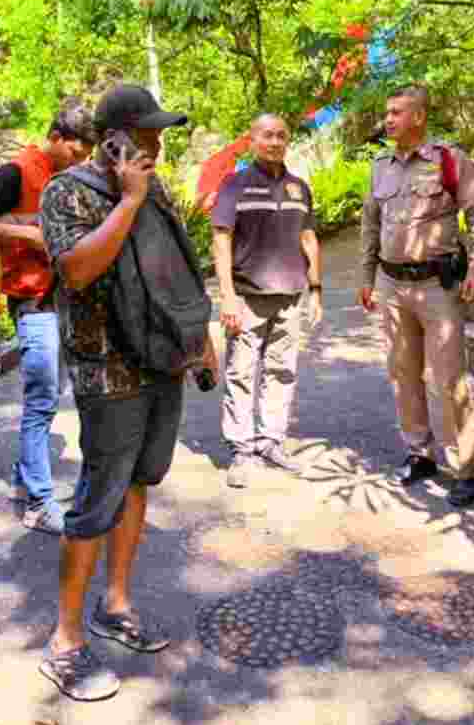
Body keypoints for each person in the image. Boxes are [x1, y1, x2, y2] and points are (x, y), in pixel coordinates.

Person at [37, 84, 219, 702]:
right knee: (97, 499)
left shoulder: (154, 187)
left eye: (160, 135)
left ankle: (115, 604)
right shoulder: (67, 192)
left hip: (160, 362)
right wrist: (130, 199)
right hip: (107, 371)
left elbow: (177, 268)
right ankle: (64, 641)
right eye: (146, 135)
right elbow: (76, 269)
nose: (157, 145)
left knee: (140, 483)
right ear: (113, 139)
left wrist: (200, 340)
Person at [0, 98, 95, 535]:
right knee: (42, 399)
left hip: (65, 300)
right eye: (75, 151)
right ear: (55, 137)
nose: (80, 161)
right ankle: (38, 502)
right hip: (33, 302)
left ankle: (24, 477)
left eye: (86, 155)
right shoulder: (14, 173)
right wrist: (25, 234)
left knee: (52, 394)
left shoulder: (69, 178)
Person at [358, 84, 474, 508]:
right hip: (391, 285)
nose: (388, 119)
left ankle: (464, 466)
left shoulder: (449, 160)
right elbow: (370, 224)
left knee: (449, 378)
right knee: (403, 373)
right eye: (387, 112)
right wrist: (366, 276)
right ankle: (420, 453)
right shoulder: (379, 165)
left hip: (437, 286)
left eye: (397, 112)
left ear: (418, 117)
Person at [210, 114, 323, 488]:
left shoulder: (299, 188)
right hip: (247, 297)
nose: (275, 142)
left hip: (290, 297)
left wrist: (316, 289)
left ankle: (271, 440)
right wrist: (227, 296)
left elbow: (308, 239)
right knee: (241, 373)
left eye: (281, 136)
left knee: (282, 370)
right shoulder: (235, 185)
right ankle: (242, 450)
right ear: (252, 140)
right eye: (267, 136)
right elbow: (221, 240)